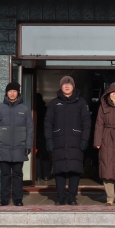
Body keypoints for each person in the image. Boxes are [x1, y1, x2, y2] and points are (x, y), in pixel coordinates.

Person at [45, 75, 91, 206]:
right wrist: (48, 138)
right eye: (64, 84)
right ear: (61, 87)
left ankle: (72, 197)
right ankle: (60, 197)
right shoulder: (54, 103)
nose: (67, 86)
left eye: (69, 84)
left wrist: (85, 138)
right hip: (58, 142)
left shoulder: (81, 102)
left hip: (76, 141)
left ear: (73, 87)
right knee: (59, 170)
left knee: (74, 170)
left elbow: (87, 122)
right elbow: (48, 122)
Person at [0, 82, 33, 207]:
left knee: (18, 174)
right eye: (10, 91)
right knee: (5, 175)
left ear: (18, 92)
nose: (12, 93)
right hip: (3, 147)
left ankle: (18, 199)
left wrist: (28, 145)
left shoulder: (25, 109)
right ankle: (4, 199)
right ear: (6, 93)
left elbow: (30, 129)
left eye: (15, 91)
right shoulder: (0, 109)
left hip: (19, 147)